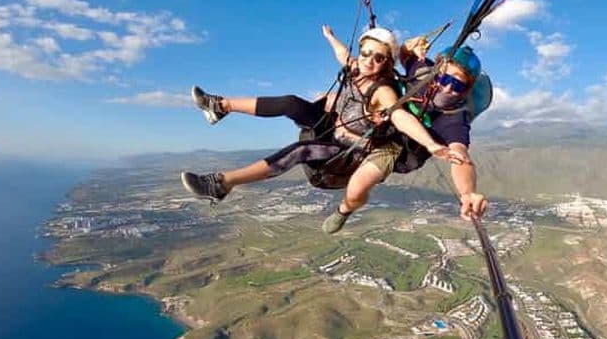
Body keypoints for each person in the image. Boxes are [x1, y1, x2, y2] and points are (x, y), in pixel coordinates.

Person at [181, 25, 464, 234]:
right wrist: (331, 37)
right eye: (366, 53)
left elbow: (400, 117)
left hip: (343, 153)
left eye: (378, 58)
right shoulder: (357, 69)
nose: (369, 60)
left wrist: (429, 144)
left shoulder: (384, 91)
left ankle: (221, 184)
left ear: (387, 63)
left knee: (301, 151)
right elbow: (344, 55)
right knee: (292, 103)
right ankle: (220, 106)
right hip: (328, 127)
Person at [396, 36, 489, 221]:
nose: (447, 88)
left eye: (457, 84)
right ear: (435, 72)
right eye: (444, 78)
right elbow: (405, 55)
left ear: (465, 91)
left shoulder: (454, 117)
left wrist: (467, 193)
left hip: (403, 154)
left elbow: (460, 156)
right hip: (386, 128)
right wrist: (413, 45)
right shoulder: (421, 73)